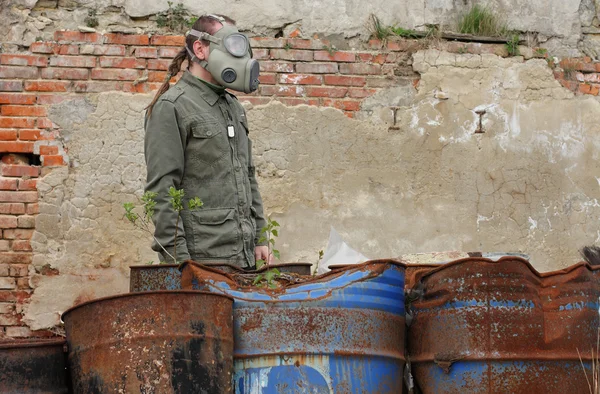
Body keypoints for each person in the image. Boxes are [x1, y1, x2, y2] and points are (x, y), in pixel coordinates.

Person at [144, 14, 270, 269]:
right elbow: (162, 191)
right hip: (203, 261)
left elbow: (247, 175)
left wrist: (259, 236)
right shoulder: (173, 107)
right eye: (229, 48)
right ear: (200, 49)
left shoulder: (233, 107)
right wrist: (179, 262)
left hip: (243, 259)